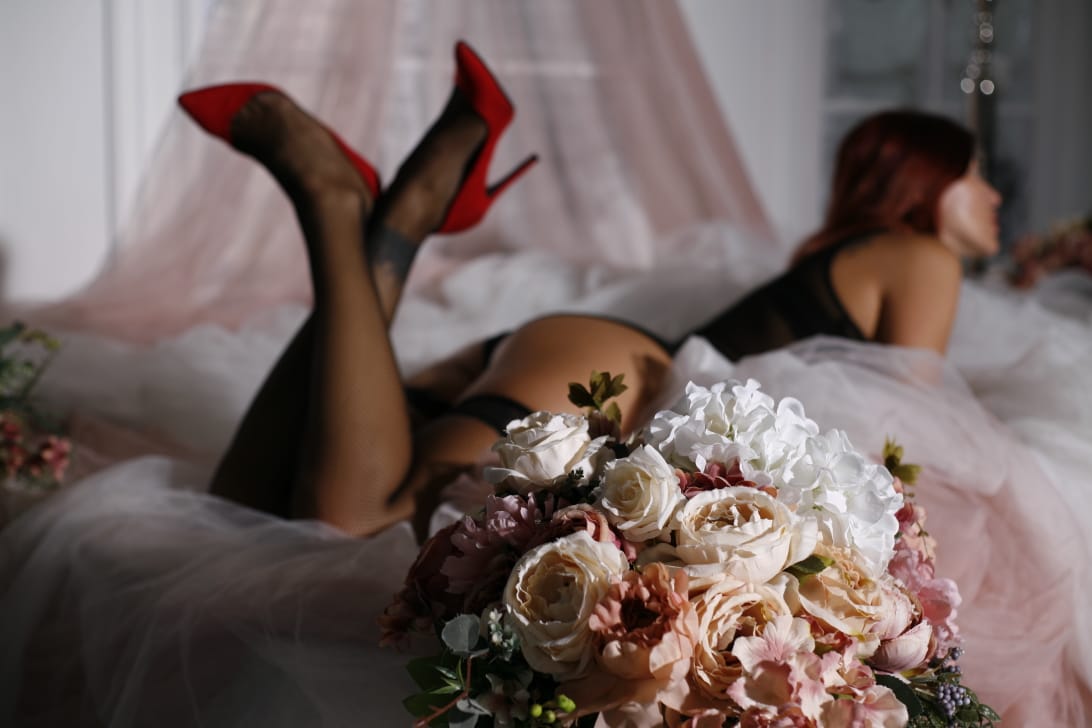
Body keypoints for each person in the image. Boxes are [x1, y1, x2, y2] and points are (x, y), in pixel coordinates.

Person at [1, 42, 1083, 728]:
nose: (995, 197)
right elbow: (907, 408)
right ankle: (340, 206)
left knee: (249, 507)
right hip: (609, 369)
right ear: (925, 184)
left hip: (561, 355)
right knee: (350, 519)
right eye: (976, 177)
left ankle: (409, 214)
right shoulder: (921, 254)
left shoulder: (843, 256)